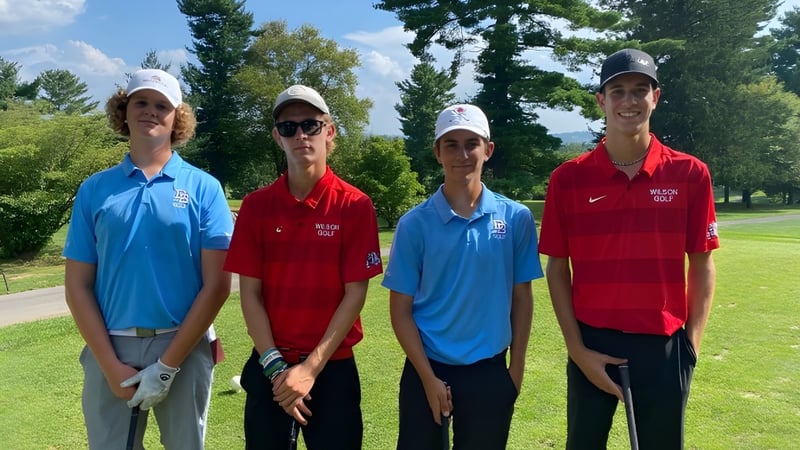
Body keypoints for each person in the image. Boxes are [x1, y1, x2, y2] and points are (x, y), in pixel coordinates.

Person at [538, 48, 720, 449]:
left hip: (664, 345)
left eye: (640, 90)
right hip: (592, 341)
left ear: (656, 97)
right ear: (601, 100)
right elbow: (557, 268)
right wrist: (577, 349)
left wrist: (690, 346)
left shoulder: (690, 173)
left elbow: (702, 263)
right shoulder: (568, 179)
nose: (629, 101)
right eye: (617, 91)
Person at [63, 68, 234, 449]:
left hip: (184, 345)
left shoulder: (204, 188)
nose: (150, 111)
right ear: (123, 111)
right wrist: (109, 365)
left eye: (162, 105)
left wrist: (168, 366)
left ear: (177, 118)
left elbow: (217, 285)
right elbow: (77, 285)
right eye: (140, 102)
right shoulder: (95, 189)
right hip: (111, 344)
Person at [223, 84, 384, 450]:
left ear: (330, 131)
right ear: (277, 137)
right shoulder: (255, 206)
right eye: (288, 127)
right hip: (270, 367)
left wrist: (309, 369)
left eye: (310, 125)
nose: (300, 135)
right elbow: (250, 295)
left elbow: (355, 294)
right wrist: (277, 370)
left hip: (332, 368)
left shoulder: (354, 205)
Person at [382, 104, 543, 450]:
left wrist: (515, 370)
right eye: (451, 145)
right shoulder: (414, 224)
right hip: (427, 367)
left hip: (490, 371)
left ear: (488, 149)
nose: (462, 154)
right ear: (437, 152)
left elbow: (522, 298)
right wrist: (428, 378)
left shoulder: (516, 218)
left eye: (472, 143)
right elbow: (400, 311)